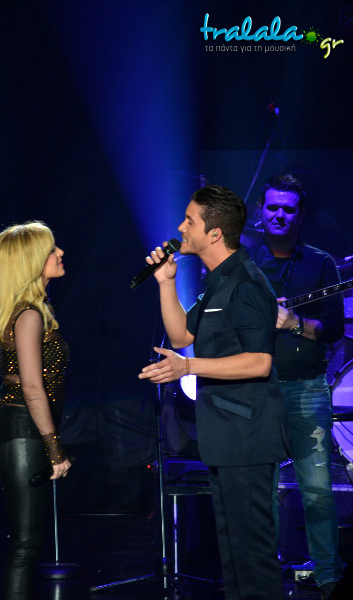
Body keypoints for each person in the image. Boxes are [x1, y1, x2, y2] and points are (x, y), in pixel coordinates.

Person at [139, 185, 290, 600]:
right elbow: (181, 335)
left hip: (248, 437)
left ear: (214, 234)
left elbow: (259, 362)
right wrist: (165, 282)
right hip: (225, 436)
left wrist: (188, 367)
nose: (180, 228)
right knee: (234, 553)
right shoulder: (218, 281)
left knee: (252, 554)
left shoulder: (246, 284)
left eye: (189, 221)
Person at [247, 174, 345, 600]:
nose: (279, 215)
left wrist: (295, 323)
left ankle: (328, 576)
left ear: (300, 215)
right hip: (255, 389)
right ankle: (263, 575)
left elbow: (334, 328)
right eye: (272, 207)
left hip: (306, 386)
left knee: (318, 490)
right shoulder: (242, 264)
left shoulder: (321, 264)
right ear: (261, 211)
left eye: (288, 209)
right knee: (262, 490)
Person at [0, 222, 72, 600]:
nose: (60, 253)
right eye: (51, 249)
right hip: (21, 432)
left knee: (27, 544)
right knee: (24, 545)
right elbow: (33, 387)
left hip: (21, 430)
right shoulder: (29, 315)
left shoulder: (35, 310)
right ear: (31, 261)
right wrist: (55, 449)